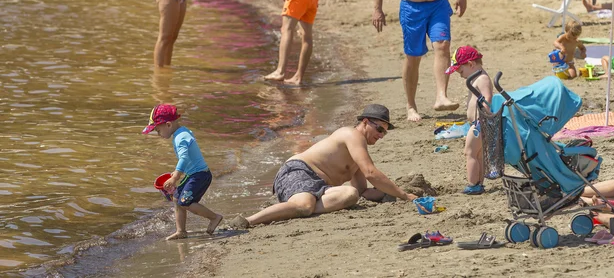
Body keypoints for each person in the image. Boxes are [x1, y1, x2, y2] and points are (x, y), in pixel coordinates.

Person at [230, 105, 419, 228]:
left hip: (320, 188)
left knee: (350, 195)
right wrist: (404, 195)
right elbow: (371, 172)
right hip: (298, 171)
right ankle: (246, 221)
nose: (380, 135)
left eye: (384, 133)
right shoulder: (351, 135)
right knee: (304, 206)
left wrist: (393, 195)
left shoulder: (357, 154)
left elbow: (362, 191)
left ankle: (292, 207)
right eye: (379, 129)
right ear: (365, 122)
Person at [142, 104, 223, 240]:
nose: (158, 134)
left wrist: (175, 177)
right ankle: (181, 231)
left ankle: (215, 217)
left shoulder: (180, 138)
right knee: (176, 198)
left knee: (185, 202)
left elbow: (184, 158)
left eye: (158, 130)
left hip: (200, 176)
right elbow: (187, 158)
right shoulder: (181, 132)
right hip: (193, 174)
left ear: (168, 125)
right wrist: (176, 172)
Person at [445, 46, 493, 195]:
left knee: (470, 152)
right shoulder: (475, 77)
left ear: (471, 64)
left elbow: (487, 98)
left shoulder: (482, 78)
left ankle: (473, 184)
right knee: (477, 154)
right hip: (477, 123)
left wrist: (483, 114)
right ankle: (478, 183)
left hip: (480, 123)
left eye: (461, 71)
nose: (460, 75)